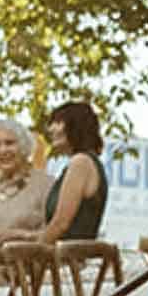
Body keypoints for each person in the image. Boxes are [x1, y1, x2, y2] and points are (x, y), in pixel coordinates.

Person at [37, 102, 109, 243]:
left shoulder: (80, 162)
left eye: (57, 122)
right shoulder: (84, 162)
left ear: (75, 126)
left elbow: (61, 224)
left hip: (71, 260)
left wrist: (35, 255)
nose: (50, 129)